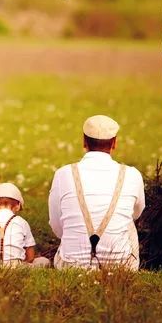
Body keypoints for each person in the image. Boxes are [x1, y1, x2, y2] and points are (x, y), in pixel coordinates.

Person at [48, 115, 145, 270]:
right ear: (114, 143)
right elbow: (137, 213)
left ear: (84, 141)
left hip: (71, 265)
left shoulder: (63, 174)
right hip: (120, 266)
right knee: (128, 221)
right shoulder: (132, 175)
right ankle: (117, 260)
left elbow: (56, 225)